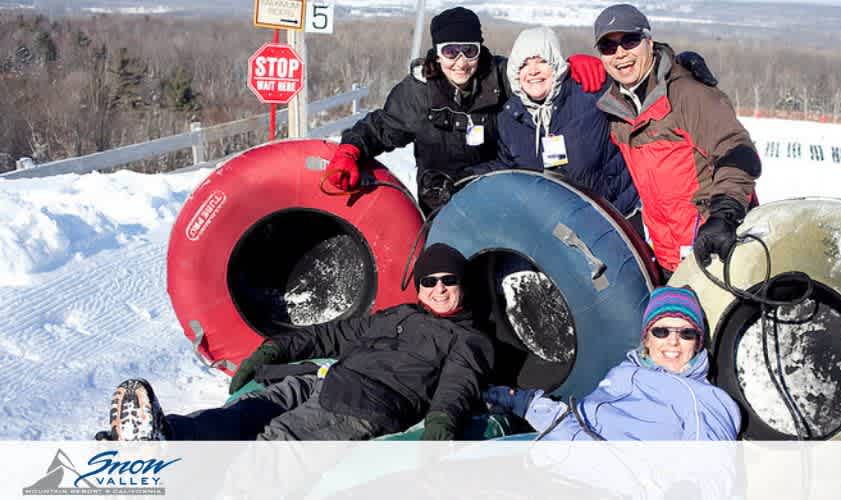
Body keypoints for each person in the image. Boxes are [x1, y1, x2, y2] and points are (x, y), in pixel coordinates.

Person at [97, 243, 495, 441]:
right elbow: (332, 334)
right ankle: (167, 437)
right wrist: (275, 349)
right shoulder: (398, 315)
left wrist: (441, 426)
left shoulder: (468, 338)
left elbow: (457, 385)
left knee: (277, 442)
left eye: (449, 281)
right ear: (419, 286)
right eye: (430, 281)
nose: (439, 290)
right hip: (325, 381)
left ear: (462, 285)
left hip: (365, 405)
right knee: (248, 409)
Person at [325, 7, 608, 214]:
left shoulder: (501, 77)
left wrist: (570, 69)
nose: (460, 63)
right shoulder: (418, 93)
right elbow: (379, 128)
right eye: (450, 52)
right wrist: (350, 151)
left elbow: (537, 79)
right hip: (440, 204)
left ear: (479, 49)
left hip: (500, 201)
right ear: (437, 53)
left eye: (469, 51)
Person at [592, 4, 762, 281]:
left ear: (649, 41)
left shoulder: (689, 95)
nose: (620, 53)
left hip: (717, 247)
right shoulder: (616, 110)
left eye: (630, 41)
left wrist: (724, 214)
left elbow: (738, 151)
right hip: (668, 257)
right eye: (608, 47)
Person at [485, 285, 741, 440]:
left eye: (686, 333)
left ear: (698, 343)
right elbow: (576, 425)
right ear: (647, 339)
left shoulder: (705, 398)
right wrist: (528, 403)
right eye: (661, 331)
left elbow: (711, 467)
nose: (673, 342)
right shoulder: (623, 373)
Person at [469, 26, 640, 223]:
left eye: (542, 61)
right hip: (560, 226)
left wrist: (602, 68)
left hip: (618, 216)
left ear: (557, 65)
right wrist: (468, 176)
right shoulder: (510, 117)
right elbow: (508, 166)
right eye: (524, 64)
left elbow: (636, 87)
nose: (533, 71)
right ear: (516, 72)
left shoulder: (591, 92)